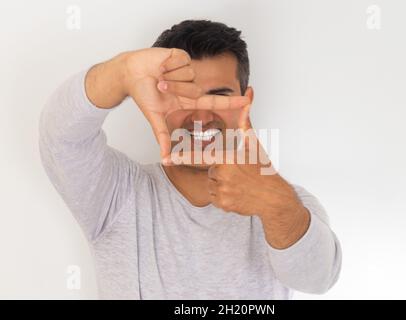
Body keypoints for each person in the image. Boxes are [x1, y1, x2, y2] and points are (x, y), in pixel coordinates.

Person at [39, 19, 342, 299]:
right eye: (184, 98)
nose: (201, 116)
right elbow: (61, 137)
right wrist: (121, 74)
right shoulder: (117, 194)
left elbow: (317, 278)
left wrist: (274, 203)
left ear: (245, 101)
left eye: (220, 96)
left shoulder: (290, 203)